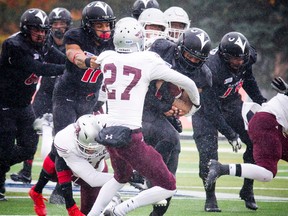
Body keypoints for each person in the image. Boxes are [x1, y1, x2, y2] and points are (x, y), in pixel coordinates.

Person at [86, 17, 200, 216]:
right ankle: (120, 210)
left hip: (109, 136)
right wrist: (195, 106)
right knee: (169, 186)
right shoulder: (148, 60)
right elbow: (188, 83)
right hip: (131, 138)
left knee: (120, 178)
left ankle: (92, 214)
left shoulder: (107, 57)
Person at [141, 27, 212, 216]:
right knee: (170, 138)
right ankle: (143, 173)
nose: (193, 62)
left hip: (160, 111)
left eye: (198, 59)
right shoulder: (161, 48)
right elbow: (140, 82)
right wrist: (163, 104)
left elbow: (188, 106)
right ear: (179, 48)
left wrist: (170, 105)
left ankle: (159, 195)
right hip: (139, 106)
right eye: (190, 56)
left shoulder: (203, 75)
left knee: (173, 151)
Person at [192, 31, 267, 211]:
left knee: (257, 141)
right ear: (223, 56)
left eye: (242, 58)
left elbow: (248, 79)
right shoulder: (210, 67)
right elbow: (210, 110)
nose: (239, 62)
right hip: (204, 110)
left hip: (232, 104)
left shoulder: (246, 58)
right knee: (208, 154)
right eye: (234, 59)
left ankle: (247, 189)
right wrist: (231, 134)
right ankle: (210, 197)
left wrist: (261, 101)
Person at [50, 0, 116, 204]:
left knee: (87, 145)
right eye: (99, 25)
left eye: (107, 25)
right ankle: (61, 191)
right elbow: (73, 55)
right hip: (67, 95)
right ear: (88, 25)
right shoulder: (75, 35)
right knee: (65, 142)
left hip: (90, 98)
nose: (105, 30)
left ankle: (61, 180)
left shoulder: (113, 41)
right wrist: (91, 61)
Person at [0, 8, 65, 201]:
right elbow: (38, 68)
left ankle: (0, 164)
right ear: (26, 29)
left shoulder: (44, 44)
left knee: (29, 147)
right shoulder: (14, 45)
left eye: (44, 30)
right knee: (4, 146)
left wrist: (77, 63)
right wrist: (68, 69)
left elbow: (59, 58)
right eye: (36, 30)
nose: (41, 34)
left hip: (23, 104)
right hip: (3, 105)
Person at [10, 7, 72, 185]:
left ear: (68, 26)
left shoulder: (73, 42)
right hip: (45, 90)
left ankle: (64, 173)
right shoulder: (44, 40)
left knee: (63, 132)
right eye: (55, 24)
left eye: (62, 24)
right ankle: (26, 171)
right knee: (30, 127)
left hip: (64, 92)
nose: (58, 27)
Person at [206, 77, 288, 204]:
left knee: (267, 172)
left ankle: (229, 175)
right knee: (267, 173)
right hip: (268, 122)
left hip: (269, 122)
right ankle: (222, 169)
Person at [29, 114, 119, 216]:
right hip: (76, 169)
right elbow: (64, 170)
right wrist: (71, 206)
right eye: (87, 148)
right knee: (52, 158)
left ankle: (36, 191)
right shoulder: (65, 139)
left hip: (97, 169)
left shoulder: (111, 134)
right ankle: (47, 127)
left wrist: (128, 174)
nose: (90, 151)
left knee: (88, 211)